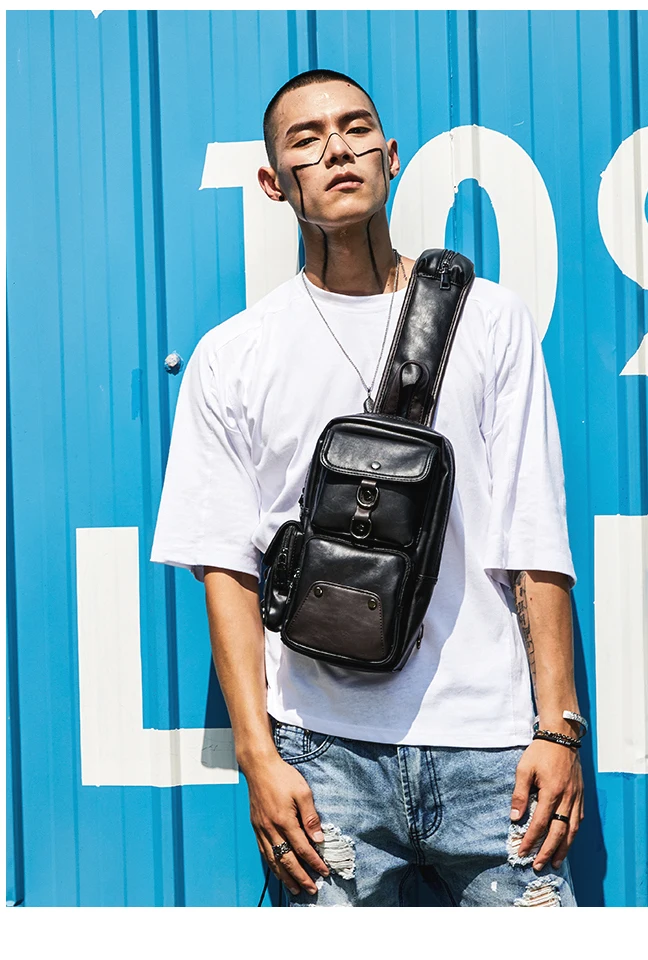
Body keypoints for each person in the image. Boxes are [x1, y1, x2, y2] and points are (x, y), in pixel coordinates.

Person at [151, 68, 584, 908]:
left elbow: (532, 528)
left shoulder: (489, 319)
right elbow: (226, 568)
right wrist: (258, 757)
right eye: (306, 139)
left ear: (391, 158)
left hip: (492, 747)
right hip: (322, 756)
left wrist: (557, 727)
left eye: (355, 130)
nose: (337, 149)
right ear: (273, 182)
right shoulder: (233, 356)